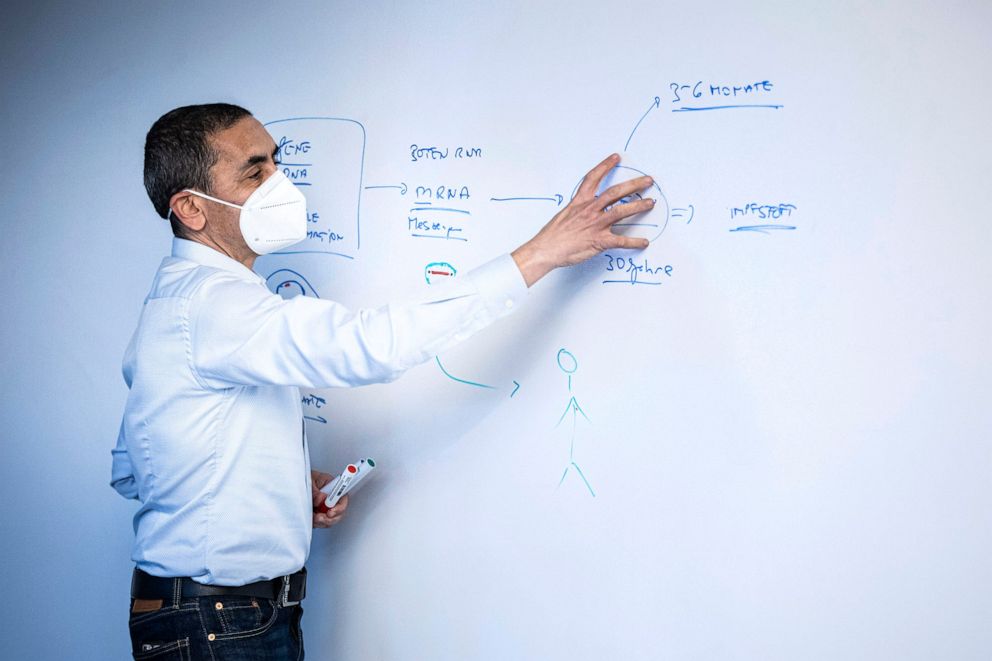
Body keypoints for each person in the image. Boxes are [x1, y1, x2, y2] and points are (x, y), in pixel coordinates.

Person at [111, 102, 654, 660]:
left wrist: (282, 486)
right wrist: (540, 253)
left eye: (277, 162)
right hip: (217, 622)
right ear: (192, 209)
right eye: (254, 171)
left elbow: (135, 468)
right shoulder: (213, 306)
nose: (280, 183)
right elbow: (375, 346)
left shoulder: (179, 303)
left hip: (223, 616)